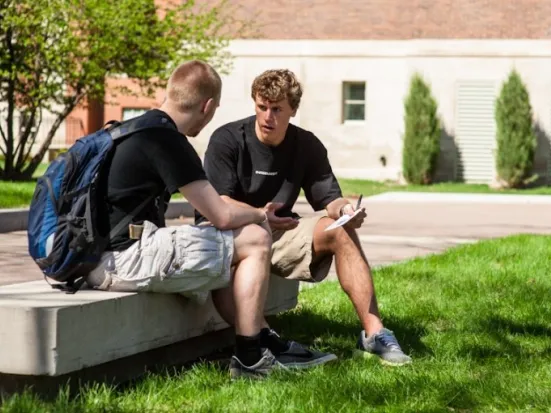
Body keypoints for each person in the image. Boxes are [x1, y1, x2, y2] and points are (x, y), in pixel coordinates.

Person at [84, 60, 334, 379]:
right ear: (208, 106)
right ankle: (250, 359)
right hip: (123, 260)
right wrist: (261, 214)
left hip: (95, 258)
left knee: (215, 245)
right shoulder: (168, 140)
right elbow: (221, 213)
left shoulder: (131, 128)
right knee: (254, 239)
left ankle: (265, 340)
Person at [196, 69, 412, 366]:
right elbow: (219, 203)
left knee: (341, 230)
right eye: (261, 107)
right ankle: (267, 342)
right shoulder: (228, 140)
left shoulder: (306, 145)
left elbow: (328, 198)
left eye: (276, 109)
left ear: (293, 111)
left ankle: (375, 334)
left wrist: (345, 211)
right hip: (233, 233)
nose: (267, 116)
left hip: (282, 232)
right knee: (241, 246)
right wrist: (259, 217)